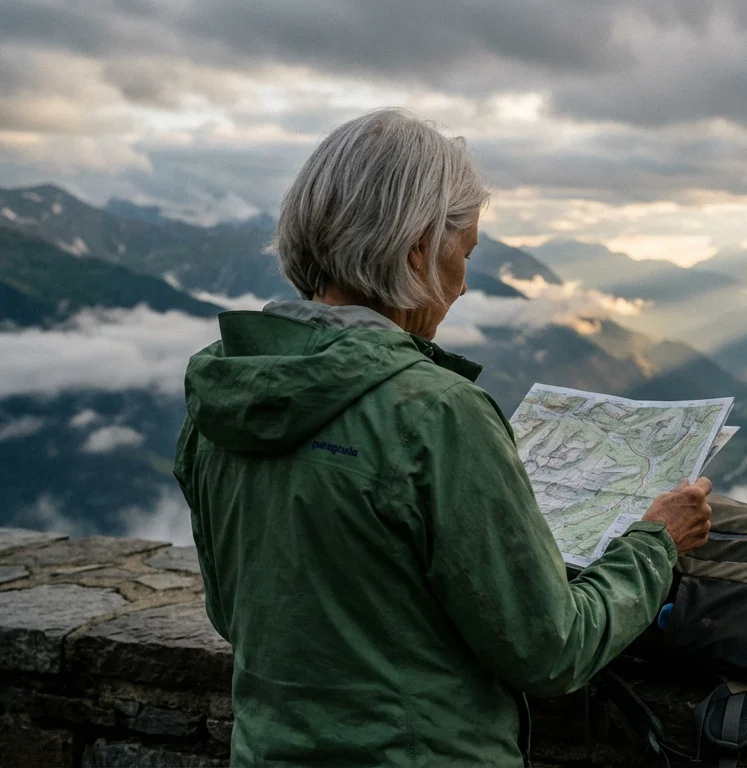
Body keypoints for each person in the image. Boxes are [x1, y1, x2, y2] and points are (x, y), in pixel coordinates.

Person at [173, 108, 713, 766]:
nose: (462, 282)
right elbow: (552, 651)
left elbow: (239, 615)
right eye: (466, 252)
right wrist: (656, 542)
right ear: (417, 250)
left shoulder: (226, 397)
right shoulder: (438, 415)